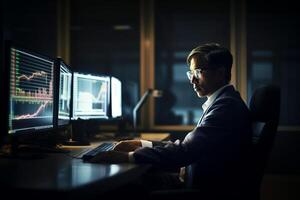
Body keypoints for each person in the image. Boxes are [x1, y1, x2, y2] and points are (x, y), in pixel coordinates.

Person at [89, 43, 252, 198]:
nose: (192, 80)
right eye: (191, 73)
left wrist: (128, 157)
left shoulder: (226, 107)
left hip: (205, 190)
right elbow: (190, 147)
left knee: (122, 189)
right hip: (195, 181)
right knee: (132, 182)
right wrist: (142, 144)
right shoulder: (223, 102)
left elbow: (186, 151)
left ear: (220, 73)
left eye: (198, 72)